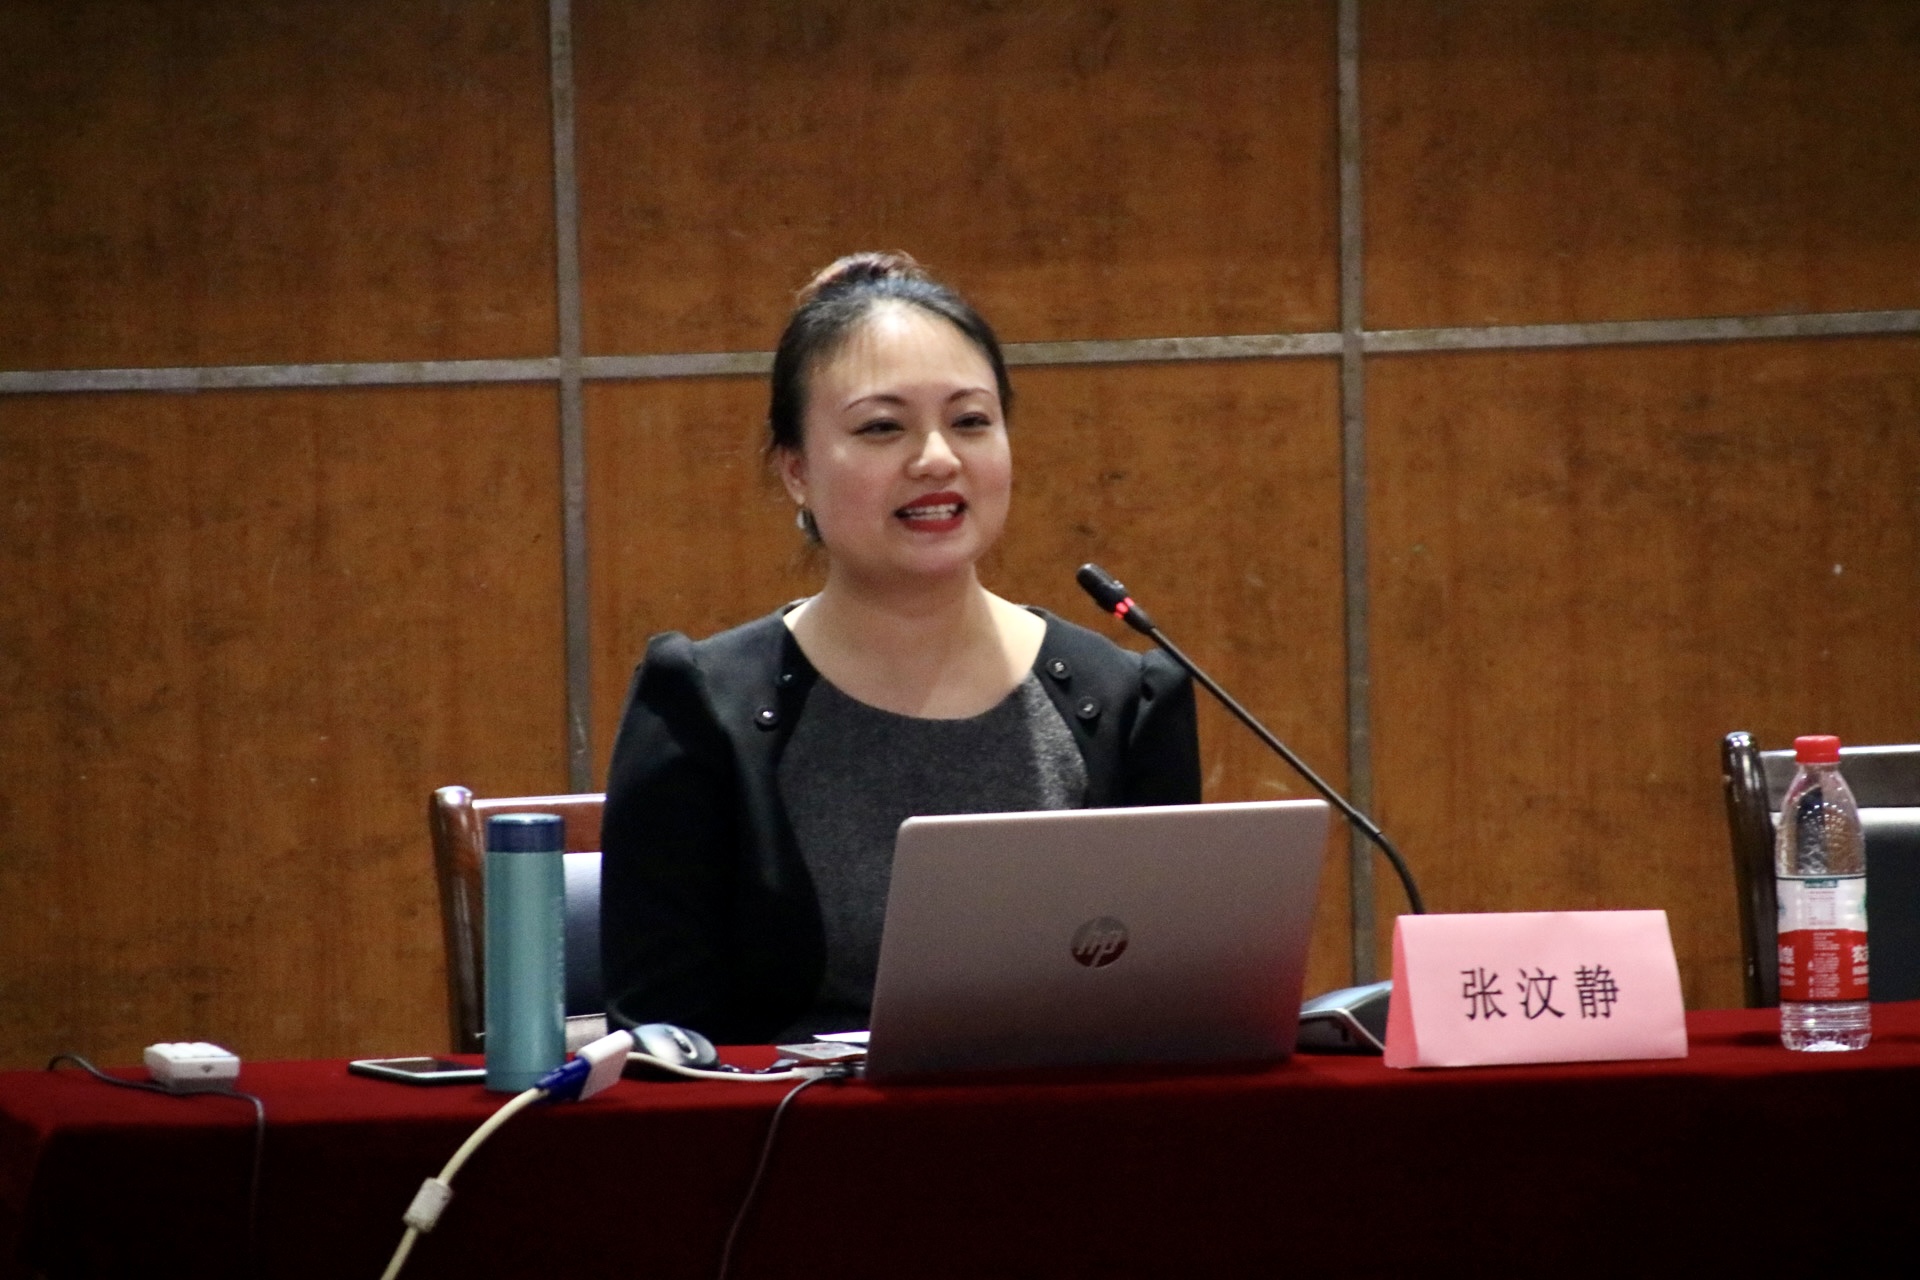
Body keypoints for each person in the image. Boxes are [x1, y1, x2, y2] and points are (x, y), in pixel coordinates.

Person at [599, 252, 1201, 1043]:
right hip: (783, 1121)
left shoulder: (1125, 699)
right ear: (796, 471)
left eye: (971, 421)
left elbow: (1169, 1009)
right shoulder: (702, 706)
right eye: (882, 427)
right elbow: (663, 1042)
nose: (938, 459)